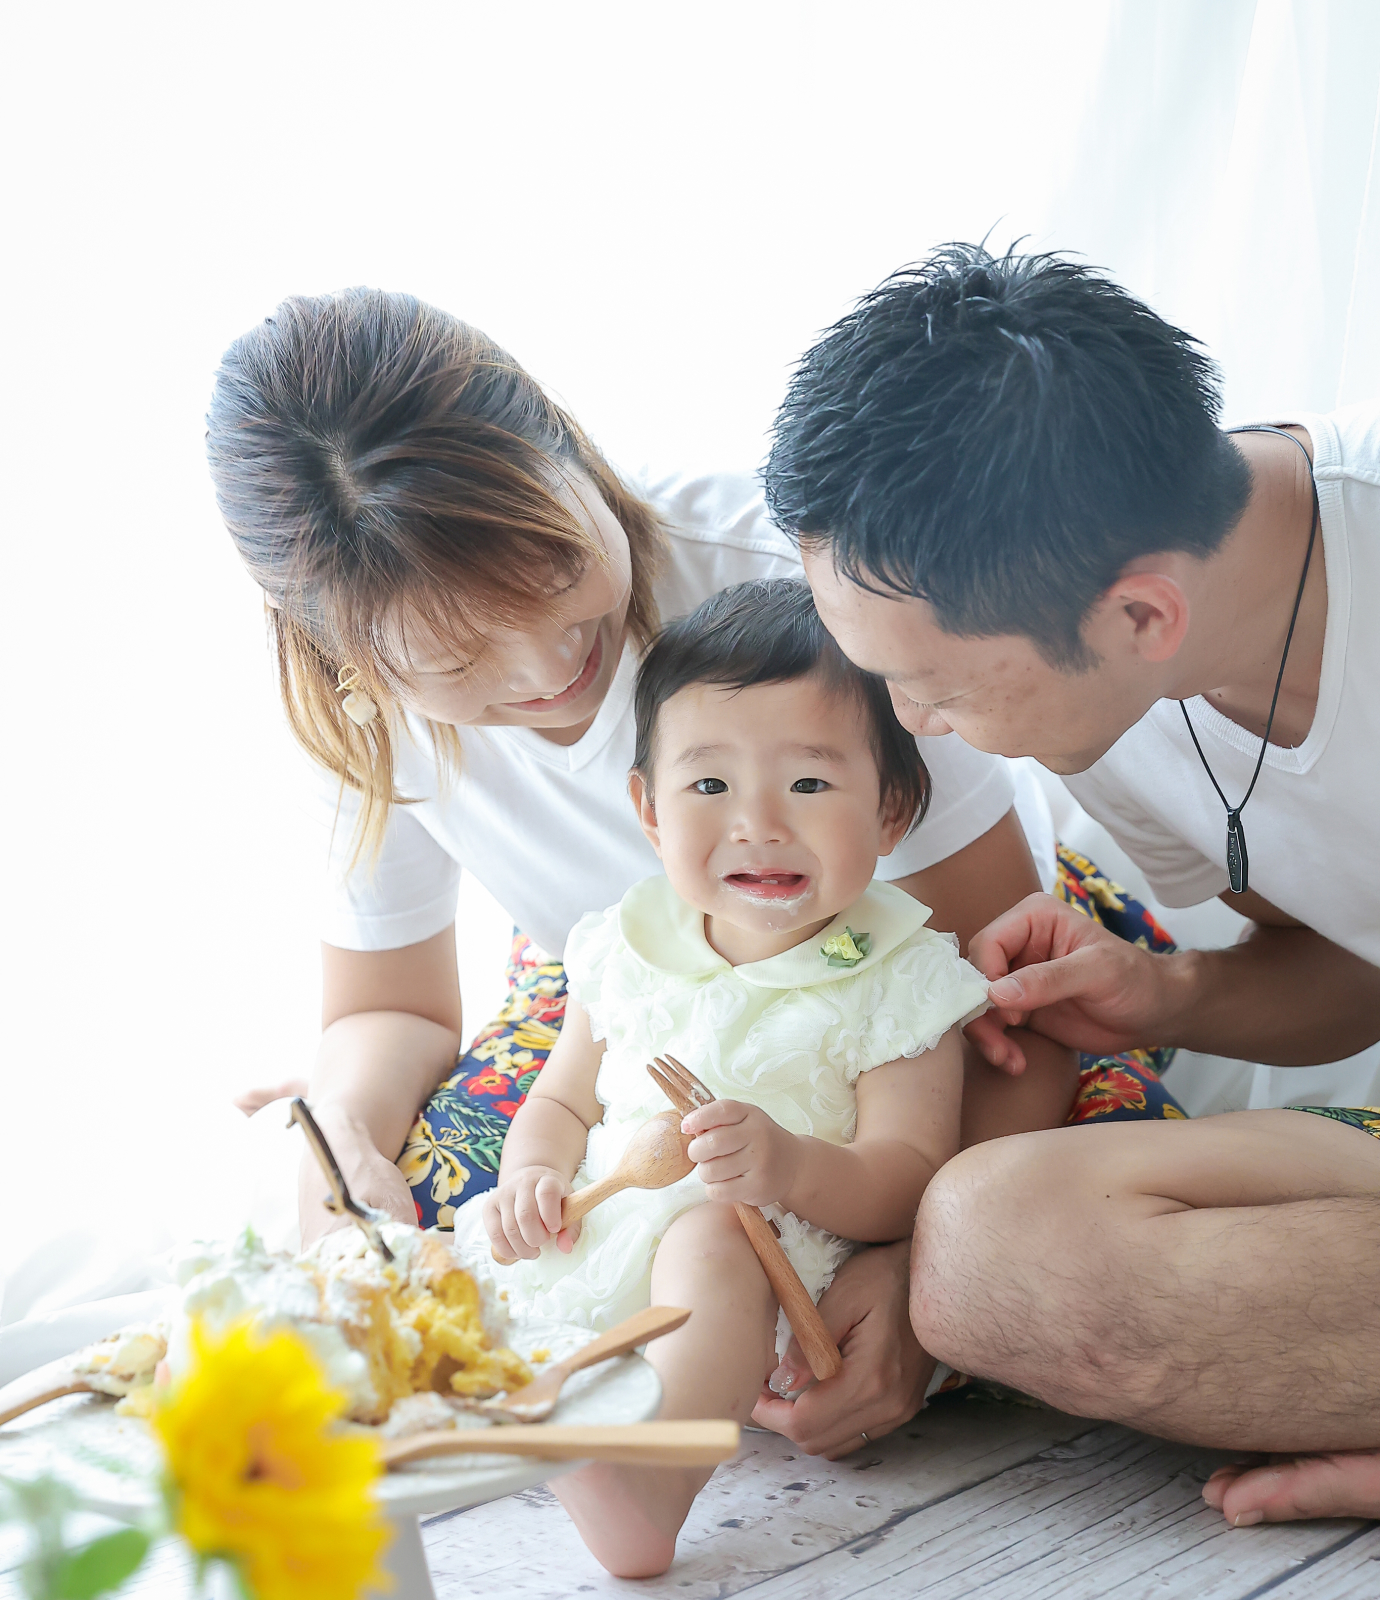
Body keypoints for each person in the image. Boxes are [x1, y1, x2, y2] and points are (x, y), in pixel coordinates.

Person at [207, 286, 1180, 1462]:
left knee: (1060, 1239)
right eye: (458, 660)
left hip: (924, 975)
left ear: (570, 449)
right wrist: (343, 1141)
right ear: (349, 661)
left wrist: (910, 1271)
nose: (548, 666)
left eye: (556, 568)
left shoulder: (807, 584)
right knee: (450, 1216)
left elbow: (1003, 997)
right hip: (648, 995)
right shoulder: (367, 723)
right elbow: (392, 1010)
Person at [762, 242, 1380, 1526]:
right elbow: (1351, 973)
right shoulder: (1116, 693)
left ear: (1140, 617)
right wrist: (1170, 993)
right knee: (986, 1246)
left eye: (933, 685)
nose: (914, 725)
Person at [467, 579, 986, 1575]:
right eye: (708, 786)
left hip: (787, 1275)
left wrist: (791, 1165)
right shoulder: (624, 945)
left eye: (809, 784)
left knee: (713, 1237)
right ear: (648, 811)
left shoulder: (904, 976)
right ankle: (539, 1407)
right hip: (615, 1234)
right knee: (471, 1265)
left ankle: (650, 1488)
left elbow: (913, 1175)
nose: (756, 823)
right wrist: (531, 1174)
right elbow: (563, 1098)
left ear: (891, 809)